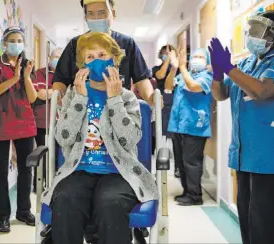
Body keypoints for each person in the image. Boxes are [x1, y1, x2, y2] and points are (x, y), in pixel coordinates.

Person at [42, 32, 159, 244]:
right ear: (81, 65)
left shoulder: (128, 97)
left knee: (110, 203)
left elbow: (130, 139)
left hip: (118, 171)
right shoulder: (72, 93)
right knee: (66, 200)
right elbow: (63, 138)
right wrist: (79, 99)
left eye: (102, 54)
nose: (96, 61)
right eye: (89, 57)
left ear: (114, 59)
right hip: (79, 169)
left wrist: (114, 100)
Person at [209, 11, 274, 244]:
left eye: (257, 29)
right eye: (250, 29)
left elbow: (262, 91)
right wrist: (218, 73)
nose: (250, 34)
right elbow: (221, 94)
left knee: (265, 231)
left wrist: (229, 68)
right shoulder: (247, 63)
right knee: (248, 225)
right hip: (246, 157)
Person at [52, 0, 156, 107]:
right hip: (83, 112)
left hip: (119, 109)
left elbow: (141, 79)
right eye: (91, 13)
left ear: (113, 14)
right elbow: (60, 79)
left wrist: (151, 98)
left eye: (101, 13)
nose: (96, 18)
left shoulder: (127, 43)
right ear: (85, 17)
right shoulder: (75, 44)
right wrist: (58, 97)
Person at [0, 26, 37, 233]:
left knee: (26, 170)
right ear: (5, 43)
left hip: (24, 123)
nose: (16, 44)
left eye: (19, 40)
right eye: (12, 40)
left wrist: (26, 77)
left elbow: (32, 98)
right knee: (1, 172)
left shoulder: (27, 65)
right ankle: (2, 217)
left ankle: (24, 211)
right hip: (0, 124)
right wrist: (13, 79)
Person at [165, 48, 213, 206]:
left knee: (192, 162)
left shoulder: (207, 76)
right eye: (194, 56)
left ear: (206, 61)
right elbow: (168, 86)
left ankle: (195, 196)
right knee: (181, 162)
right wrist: (174, 68)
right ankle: (187, 191)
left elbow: (193, 87)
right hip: (179, 125)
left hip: (195, 125)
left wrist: (182, 67)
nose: (197, 59)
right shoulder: (185, 74)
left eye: (201, 57)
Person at [32, 47, 62, 191]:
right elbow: (40, 94)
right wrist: (57, 92)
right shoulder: (40, 73)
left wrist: (51, 93)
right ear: (49, 58)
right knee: (42, 155)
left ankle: (56, 185)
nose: (57, 59)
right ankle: (38, 186)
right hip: (42, 122)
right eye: (55, 56)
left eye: (60, 57)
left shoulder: (65, 74)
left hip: (61, 123)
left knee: (58, 156)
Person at [153, 44, 179, 176]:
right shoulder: (156, 68)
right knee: (160, 134)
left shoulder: (178, 69)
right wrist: (168, 60)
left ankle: (178, 168)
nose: (166, 55)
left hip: (176, 104)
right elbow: (161, 76)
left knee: (175, 137)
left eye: (169, 53)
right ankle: (160, 166)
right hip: (162, 105)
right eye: (164, 53)